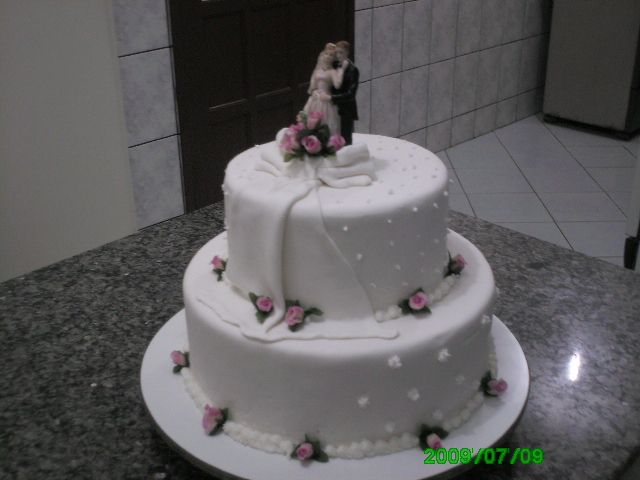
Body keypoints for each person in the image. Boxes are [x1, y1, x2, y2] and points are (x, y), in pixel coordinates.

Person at [303, 43, 344, 137]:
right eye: (326, 54)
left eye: (331, 55)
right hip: (315, 99)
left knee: (327, 120)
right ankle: (312, 136)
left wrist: (340, 72)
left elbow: (337, 85)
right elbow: (313, 85)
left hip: (326, 99)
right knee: (312, 119)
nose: (328, 57)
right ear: (323, 55)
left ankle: (325, 139)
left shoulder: (332, 72)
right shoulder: (318, 70)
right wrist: (314, 91)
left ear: (333, 58)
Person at [330, 41, 359, 145]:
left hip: (346, 109)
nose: (338, 55)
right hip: (333, 108)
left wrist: (332, 98)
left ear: (347, 53)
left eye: (341, 52)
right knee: (334, 134)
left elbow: (351, 94)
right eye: (337, 52)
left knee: (345, 137)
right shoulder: (334, 66)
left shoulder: (353, 70)